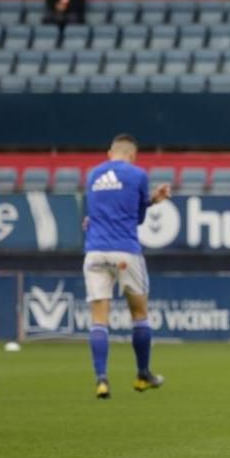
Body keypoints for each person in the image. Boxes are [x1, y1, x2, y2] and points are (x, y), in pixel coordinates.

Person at [83, 134, 171, 400]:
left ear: (110, 153)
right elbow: (137, 217)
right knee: (139, 314)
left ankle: (101, 380)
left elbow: (95, 213)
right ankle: (143, 374)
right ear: (132, 156)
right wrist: (154, 199)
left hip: (95, 251)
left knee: (99, 319)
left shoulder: (93, 175)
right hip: (125, 251)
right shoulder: (138, 175)